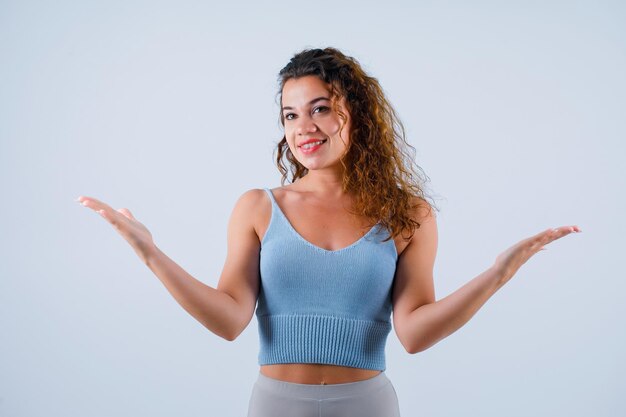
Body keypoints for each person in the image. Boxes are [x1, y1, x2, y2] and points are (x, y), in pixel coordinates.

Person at [76, 47, 581, 417]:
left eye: (319, 108)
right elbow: (230, 319)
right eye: (290, 115)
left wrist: (498, 274)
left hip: (367, 405)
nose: (303, 127)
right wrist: (150, 253)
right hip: (276, 404)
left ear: (355, 113)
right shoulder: (258, 207)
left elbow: (414, 332)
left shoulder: (408, 214)